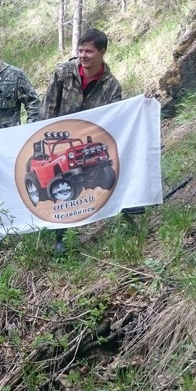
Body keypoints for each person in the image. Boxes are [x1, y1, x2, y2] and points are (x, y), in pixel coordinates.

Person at [39, 29, 124, 255]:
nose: (83, 55)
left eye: (89, 51)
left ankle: (119, 216)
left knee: (107, 173)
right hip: (60, 143)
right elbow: (47, 108)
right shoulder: (63, 73)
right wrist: (43, 134)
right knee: (62, 185)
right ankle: (60, 235)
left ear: (102, 52)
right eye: (80, 50)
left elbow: (116, 118)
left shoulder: (112, 86)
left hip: (89, 145)